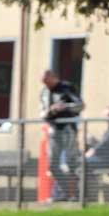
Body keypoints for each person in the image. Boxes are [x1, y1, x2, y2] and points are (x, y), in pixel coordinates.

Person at [40, 69, 84, 201]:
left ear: (54, 78)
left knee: (72, 163)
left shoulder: (67, 88)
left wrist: (63, 107)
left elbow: (80, 106)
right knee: (52, 165)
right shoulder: (44, 92)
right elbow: (42, 112)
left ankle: (76, 194)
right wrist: (49, 111)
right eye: (43, 83)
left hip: (68, 129)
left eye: (47, 82)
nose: (46, 85)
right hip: (53, 130)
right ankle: (65, 192)